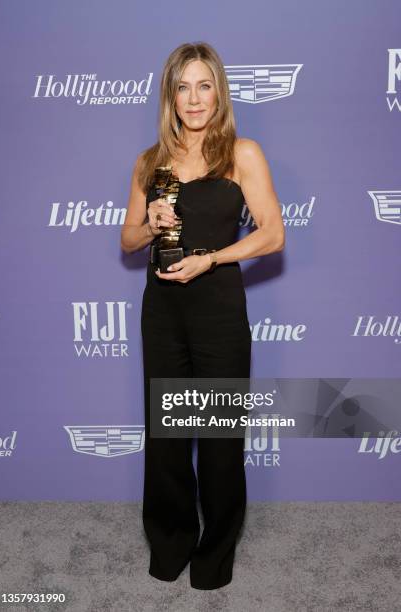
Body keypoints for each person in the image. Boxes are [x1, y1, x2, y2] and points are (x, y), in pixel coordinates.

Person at [121, 41, 285, 590]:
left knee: (217, 444)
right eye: (183, 87)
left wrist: (211, 257)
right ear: (170, 95)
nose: (194, 99)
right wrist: (150, 221)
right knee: (166, 439)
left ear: (219, 92)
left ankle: (215, 554)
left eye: (204, 85)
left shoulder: (242, 153)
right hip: (162, 312)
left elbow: (272, 233)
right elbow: (127, 240)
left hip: (217, 312)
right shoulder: (150, 161)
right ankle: (169, 544)